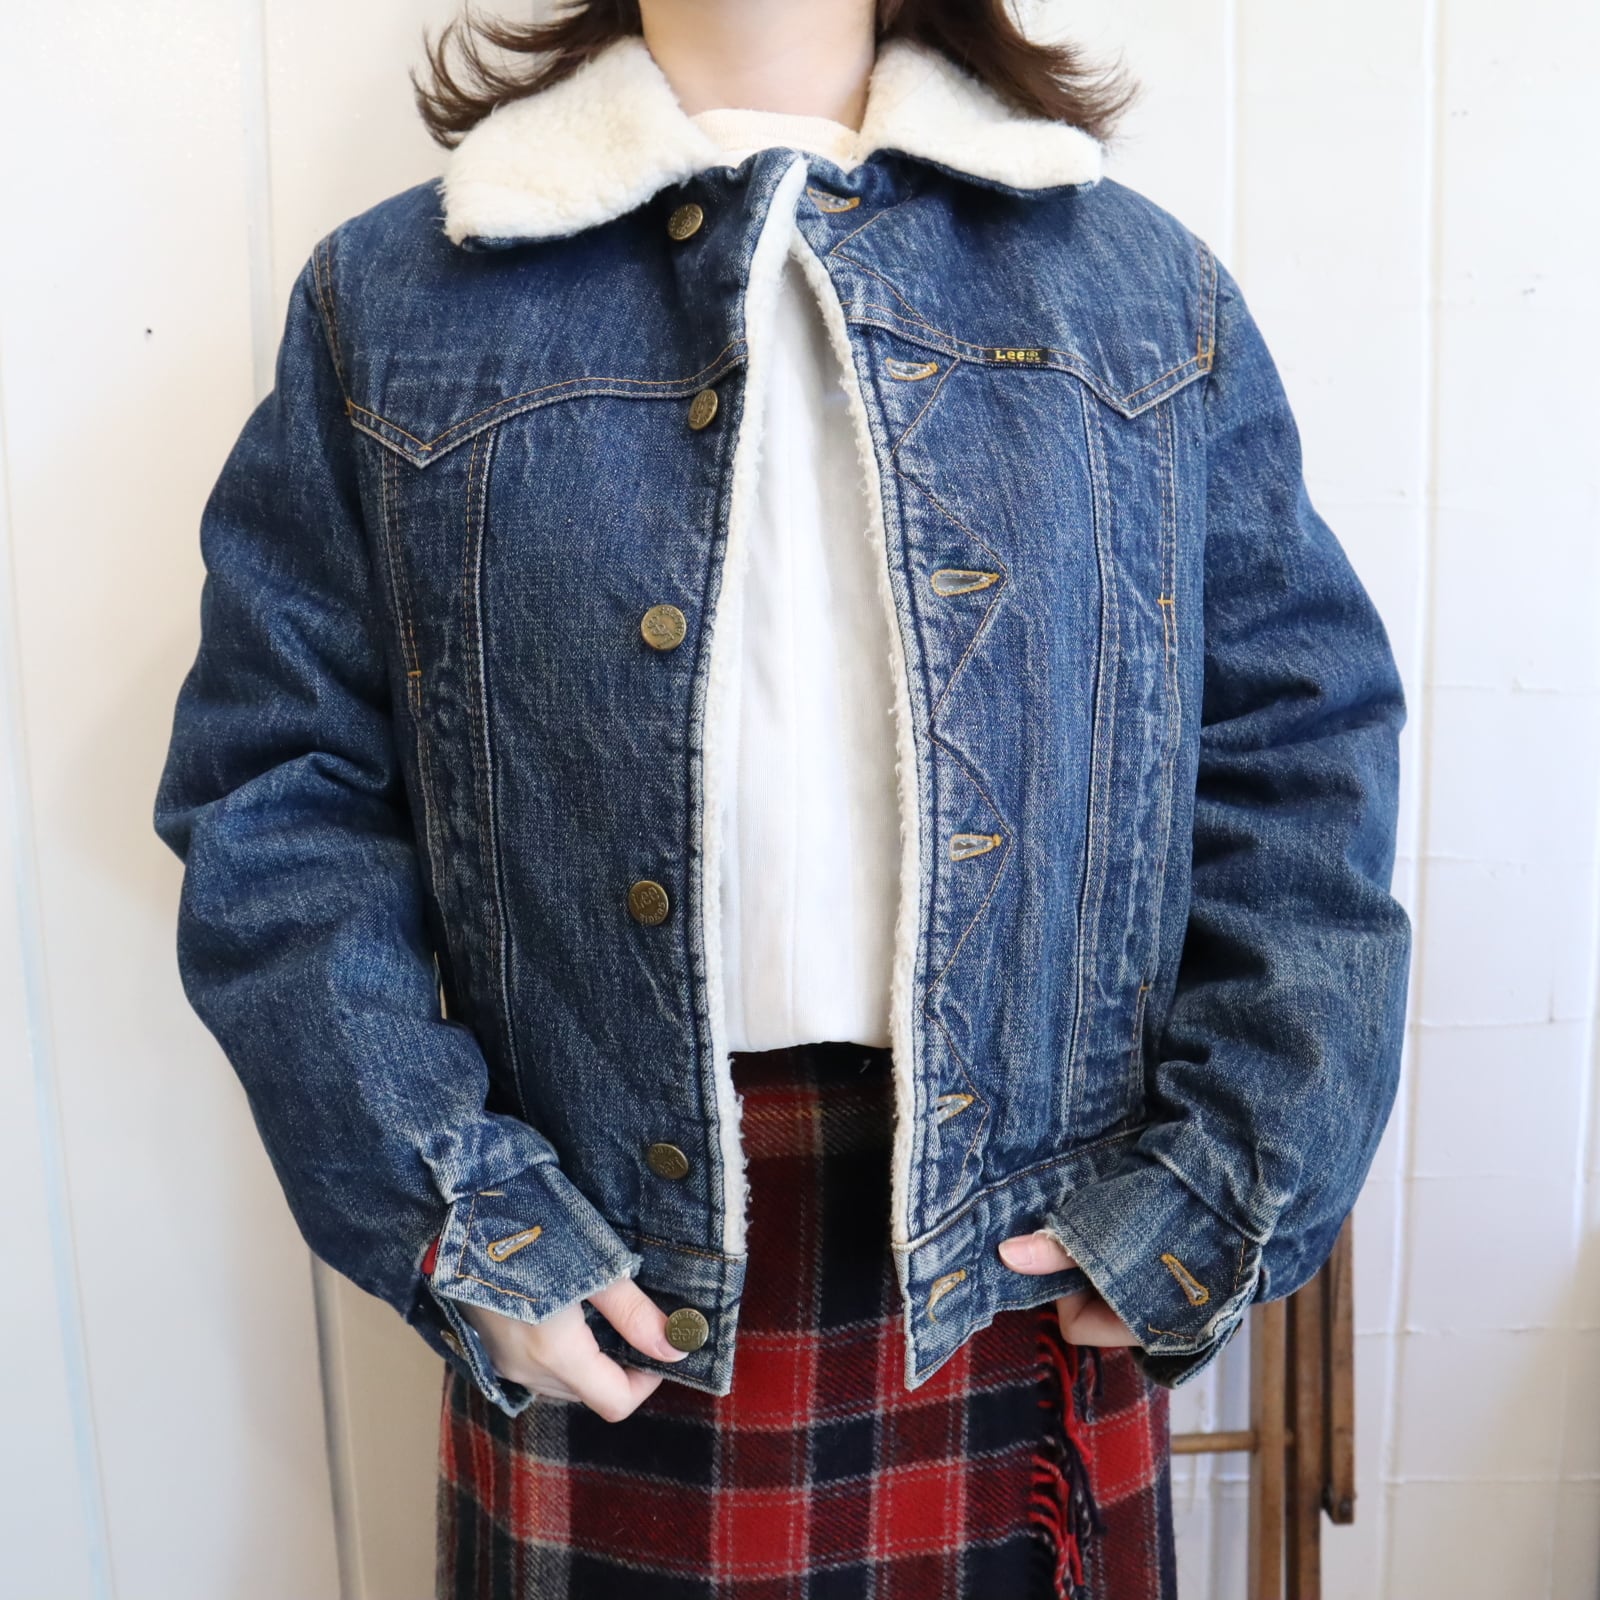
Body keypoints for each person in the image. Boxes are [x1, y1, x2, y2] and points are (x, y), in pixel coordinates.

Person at [151, 0, 1413, 1596]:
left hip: (1027, 1242)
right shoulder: (402, 300)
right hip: (600, 1259)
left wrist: (1225, 1173)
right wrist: (456, 1205)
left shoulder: (1137, 294)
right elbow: (277, 794)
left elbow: (1298, 753)